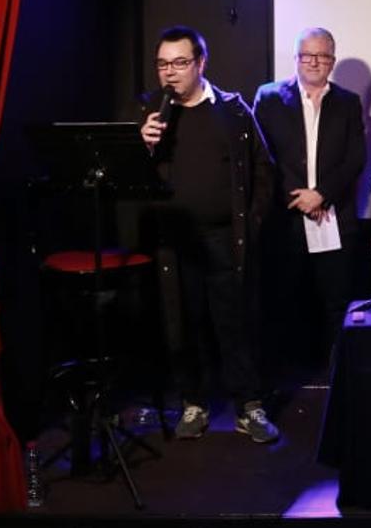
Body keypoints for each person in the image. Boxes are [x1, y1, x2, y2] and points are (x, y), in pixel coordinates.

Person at [139, 25, 279, 443]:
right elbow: (127, 182)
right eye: (163, 64)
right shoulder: (150, 111)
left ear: (201, 63)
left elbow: (263, 170)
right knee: (185, 325)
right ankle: (193, 403)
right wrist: (140, 146)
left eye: (180, 63)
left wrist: (250, 224)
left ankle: (249, 406)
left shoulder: (234, 111)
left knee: (234, 325)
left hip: (225, 239)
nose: (170, 73)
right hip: (174, 241)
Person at [254, 27, 366, 352]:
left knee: (336, 304)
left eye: (322, 56)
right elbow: (264, 155)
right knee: (282, 303)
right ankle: (280, 382)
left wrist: (321, 195)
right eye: (307, 55)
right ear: (296, 58)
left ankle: (336, 378)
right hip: (286, 216)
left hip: (334, 218)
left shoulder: (348, 102)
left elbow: (354, 158)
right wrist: (300, 196)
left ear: (332, 61)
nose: (314, 62)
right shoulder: (269, 97)